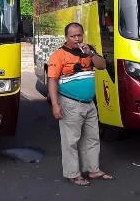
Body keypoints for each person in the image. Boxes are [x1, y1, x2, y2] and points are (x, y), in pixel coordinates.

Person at [47, 22, 115, 186]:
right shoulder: (58, 55)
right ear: (66, 37)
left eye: (79, 35)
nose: (77, 39)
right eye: (73, 36)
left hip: (89, 103)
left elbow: (102, 66)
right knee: (71, 140)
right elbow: (53, 81)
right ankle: (72, 174)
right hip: (70, 103)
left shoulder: (88, 51)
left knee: (92, 138)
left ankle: (93, 169)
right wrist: (55, 104)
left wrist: (90, 53)